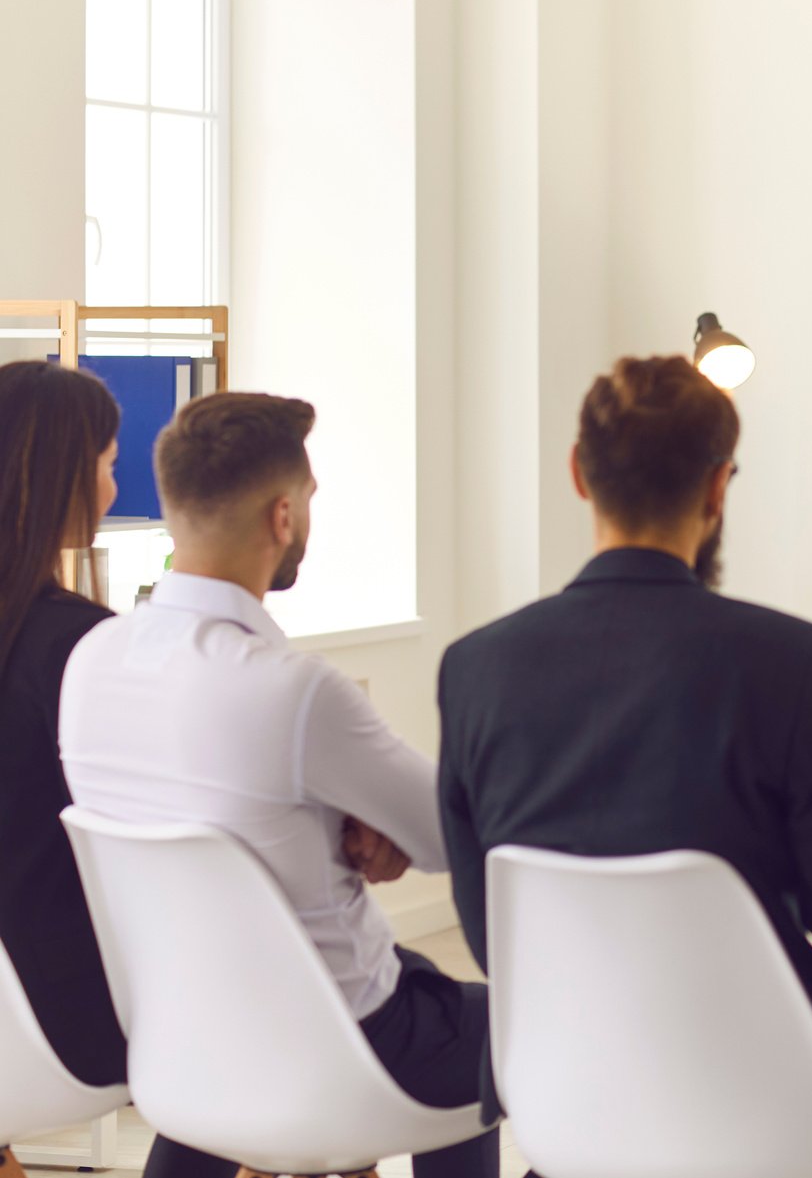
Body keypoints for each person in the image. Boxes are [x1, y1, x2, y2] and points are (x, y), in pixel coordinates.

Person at [440, 356, 812, 1178]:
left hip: (566, 1082)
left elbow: (488, 924)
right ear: (719, 487)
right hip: (764, 1079)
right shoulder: (785, 660)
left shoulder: (474, 667)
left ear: (577, 475)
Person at [59, 393, 499, 1178]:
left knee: (415, 977)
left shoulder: (90, 662)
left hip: (182, 1043)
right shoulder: (292, 690)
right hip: (335, 1048)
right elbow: (447, 833)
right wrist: (363, 821)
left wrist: (329, 816)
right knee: (504, 1028)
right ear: (284, 516)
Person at [0, 363, 232, 1178]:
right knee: (248, 1028)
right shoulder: (84, 648)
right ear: (56, 472)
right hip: (54, 1018)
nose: (113, 484)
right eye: (104, 462)